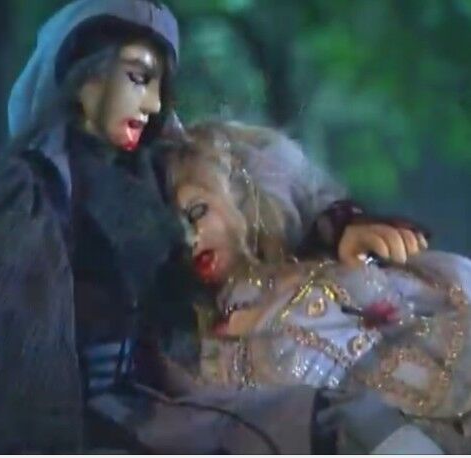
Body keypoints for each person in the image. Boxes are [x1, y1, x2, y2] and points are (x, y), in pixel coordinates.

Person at [0, 0, 432, 453]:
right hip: (74, 415)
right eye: (138, 78)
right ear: (87, 75)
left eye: (159, 84)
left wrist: (338, 222)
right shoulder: (33, 186)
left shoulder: (158, 163)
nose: (151, 102)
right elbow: (0, 339)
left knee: (342, 417)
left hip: (161, 389)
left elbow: (255, 176)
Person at [165, 120, 471, 453]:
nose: (190, 238)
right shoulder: (200, 352)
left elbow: (427, 349)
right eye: (172, 228)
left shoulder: (326, 280)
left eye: (198, 212)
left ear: (239, 195)